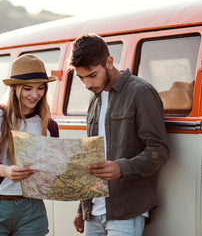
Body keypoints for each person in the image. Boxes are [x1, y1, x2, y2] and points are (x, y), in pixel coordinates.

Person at [69, 33, 169, 236]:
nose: (87, 84)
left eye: (92, 75)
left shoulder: (141, 92)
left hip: (126, 210)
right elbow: (91, 156)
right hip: (93, 212)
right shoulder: (94, 99)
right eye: (81, 78)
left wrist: (122, 168)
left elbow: (159, 150)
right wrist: (82, 207)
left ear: (109, 62)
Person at [0, 54, 59, 236]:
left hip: (32, 210)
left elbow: (51, 167)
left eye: (41, 88)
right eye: (28, 88)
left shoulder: (49, 125)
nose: (35, 95)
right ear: (14, 88)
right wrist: (6, 171)